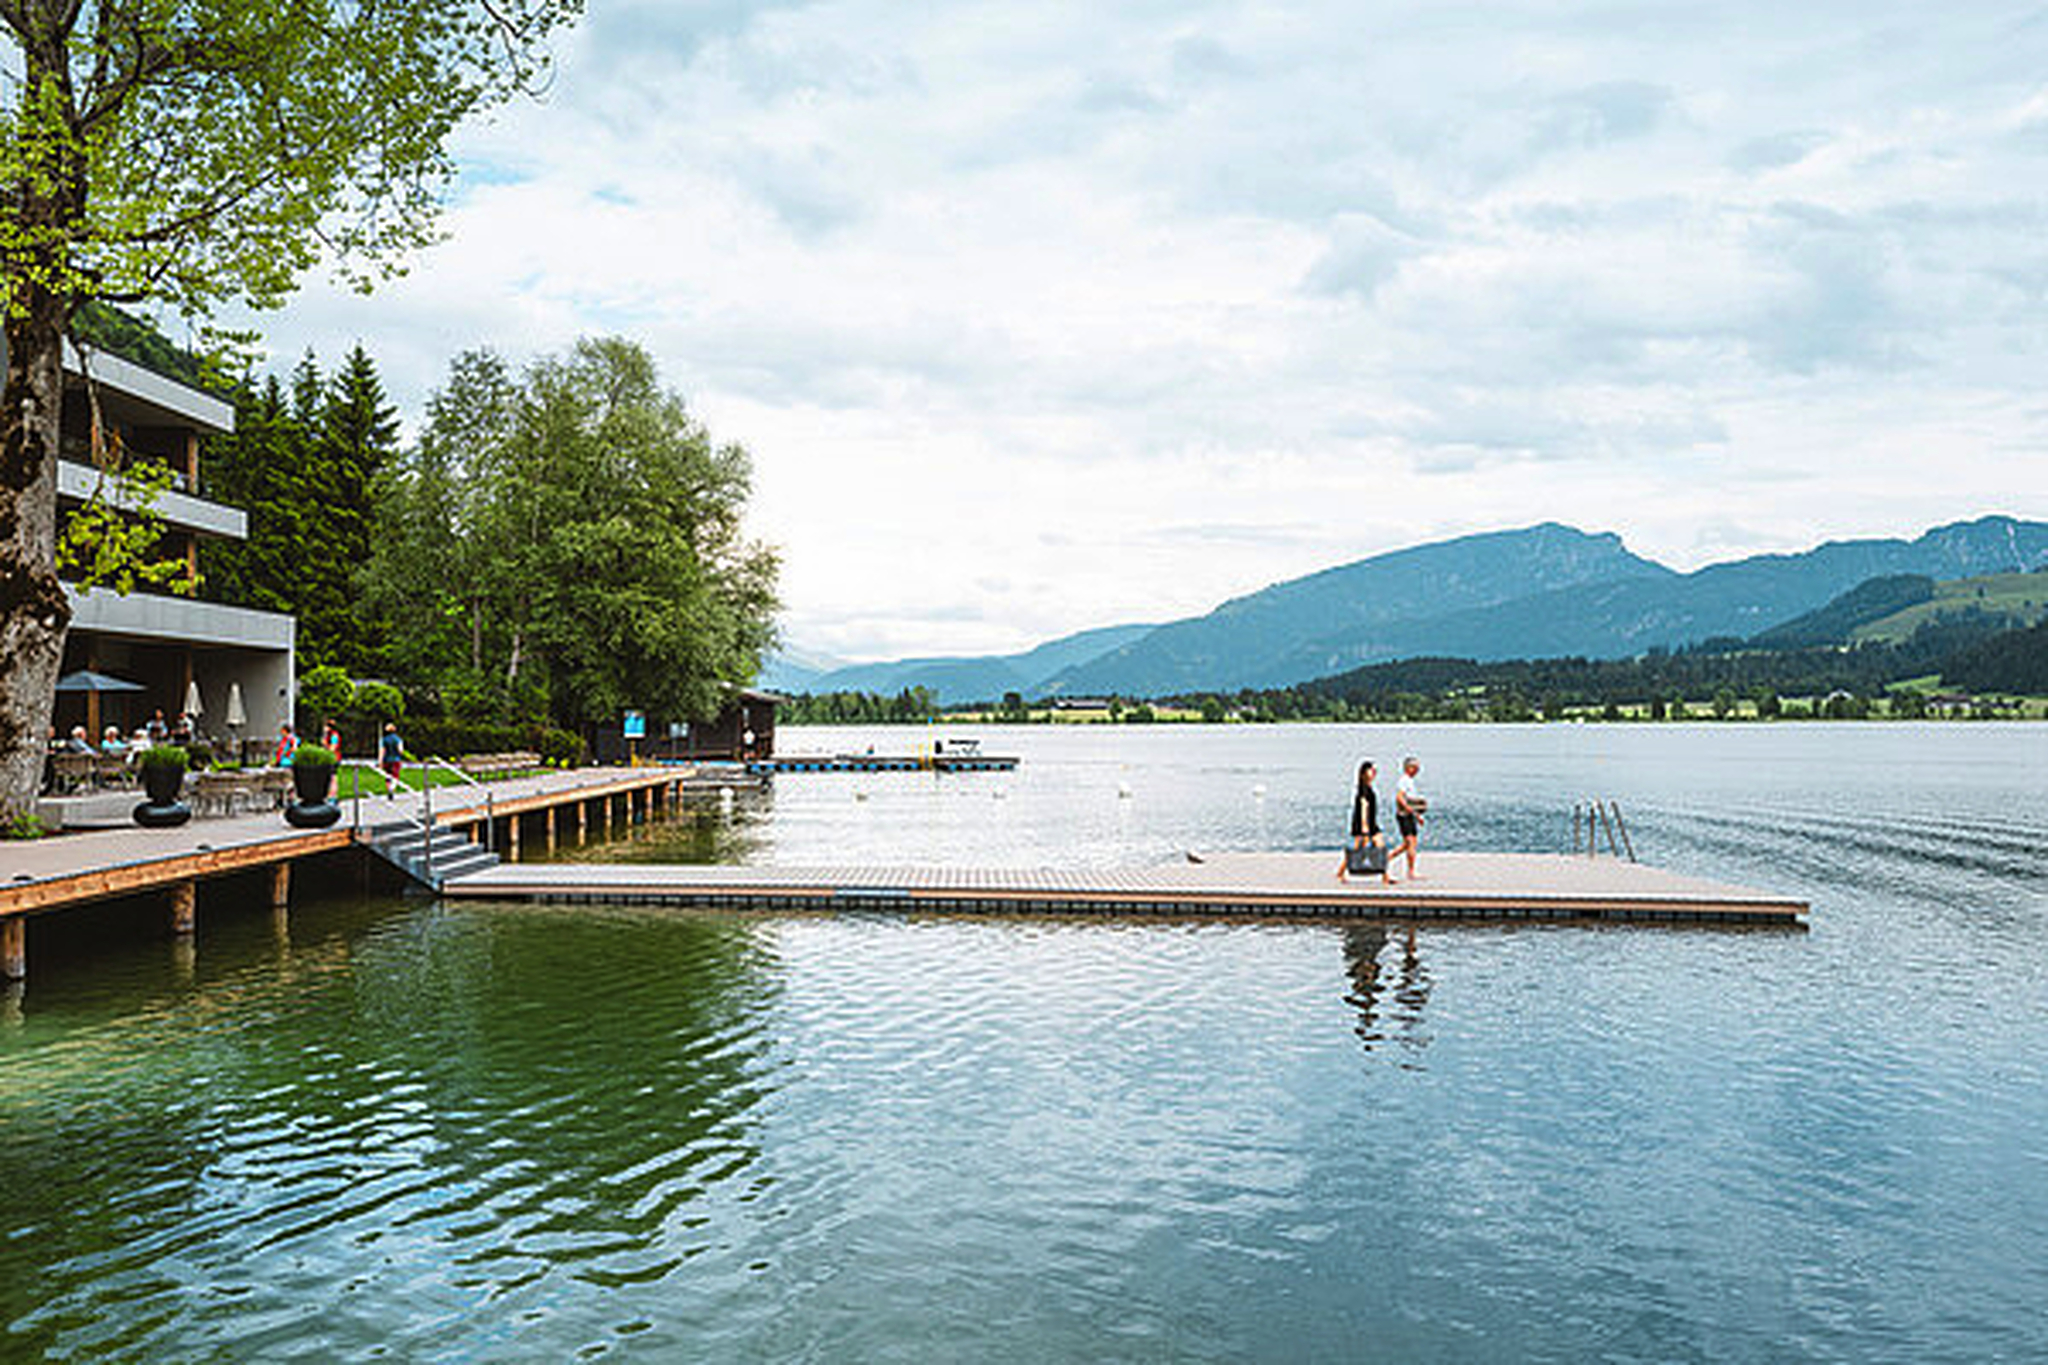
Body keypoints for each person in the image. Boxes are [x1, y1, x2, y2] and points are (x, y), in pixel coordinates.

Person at [1338, 758, 1394, 885]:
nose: (1373, 773)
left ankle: (1386, 877)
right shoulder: (1364, 789)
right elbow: (1363, 808)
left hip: (1372, 823)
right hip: (1364, 824)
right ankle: (1340, 872)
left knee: (1380, 847)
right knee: (1357, 849)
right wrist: (1364, 827)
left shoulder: (1368, 787)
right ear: (1364, 773)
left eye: (1375, 771)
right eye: (1371, 770)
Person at [1393, 755, 1427, 880]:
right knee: (1411, 843)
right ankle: (1411, 872)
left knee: (1407, 845)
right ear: (1409, 768)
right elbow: (1399, 797)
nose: (1418, 770)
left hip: (1409, 816)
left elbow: (1411, 801)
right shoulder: (1404, 780)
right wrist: (1408, 809)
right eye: (1416, 767)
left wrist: (1418, 816)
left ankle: (1386, 860)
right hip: (1404, 816)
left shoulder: (1409, 781)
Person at [378, 723, 408, 800]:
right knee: (395, 775)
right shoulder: (398, 739)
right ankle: (392, 788)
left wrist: (380, 761)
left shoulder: (384, 740)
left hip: (387, 760)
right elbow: (400, 750)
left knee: (388, 776)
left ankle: (388, 789)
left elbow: (382, 751)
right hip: (396, 759)